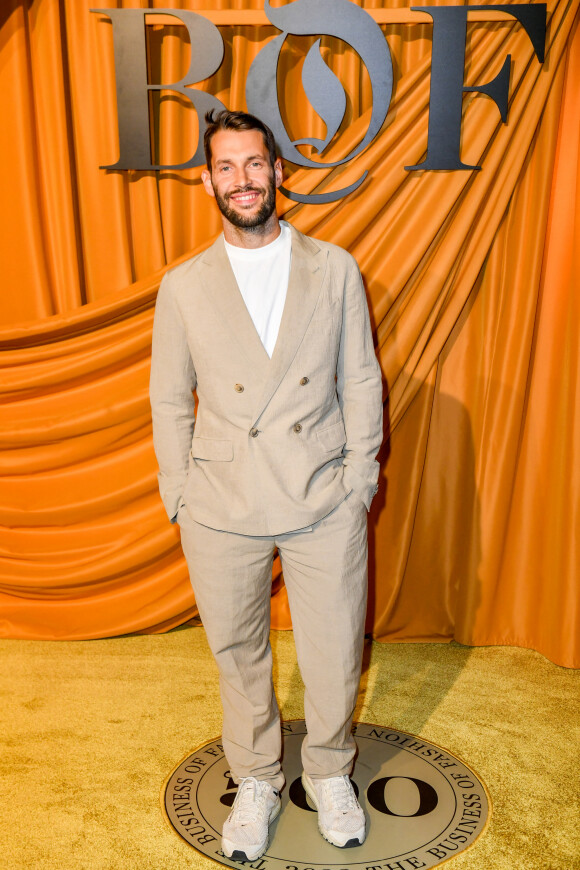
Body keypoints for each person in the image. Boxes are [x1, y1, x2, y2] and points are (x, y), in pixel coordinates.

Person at [149, 110, 383, 861]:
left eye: (255, 164)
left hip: (322, 496)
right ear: (209, 179)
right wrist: (178, 493)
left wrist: (359, 481)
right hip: (220, 503)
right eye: (227, 167)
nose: (243, 180)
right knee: (238, 650)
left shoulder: (334, 267)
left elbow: (361, 378)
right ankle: (255, 779)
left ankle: (329, 772)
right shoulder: (182, 287)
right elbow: (166, 397)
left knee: (334, 648)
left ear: (279, 172)